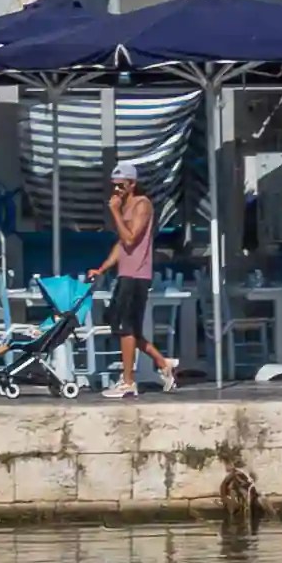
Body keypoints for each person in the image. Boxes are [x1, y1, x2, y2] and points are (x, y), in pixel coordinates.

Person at [104, 169, 175, 396]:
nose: (116, 190)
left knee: (127, 329)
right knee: (128, 329)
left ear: (132, 184)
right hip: (126, 274)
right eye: (114, 185)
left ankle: (128, 381)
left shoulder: (142, 205)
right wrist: (103, 267)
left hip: (137, 275)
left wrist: (114, 211)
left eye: (121, 185)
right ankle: (164, 364)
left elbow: (131, 238)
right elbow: (121, 245)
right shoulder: (125, 207)